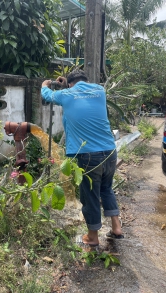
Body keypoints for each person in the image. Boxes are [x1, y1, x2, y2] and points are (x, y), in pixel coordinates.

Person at [41, 69, 123, 247]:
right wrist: (67, 85)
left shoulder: (66, 95)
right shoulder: (100, 91)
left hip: (89, 155)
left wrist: (44, 85)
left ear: (70, 84)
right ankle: (116, 228)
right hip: (110, 151)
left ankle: (92, 238)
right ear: (86, 80)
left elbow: (47, 95)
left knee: (90, 195)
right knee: (106, 189)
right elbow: (81, 93)